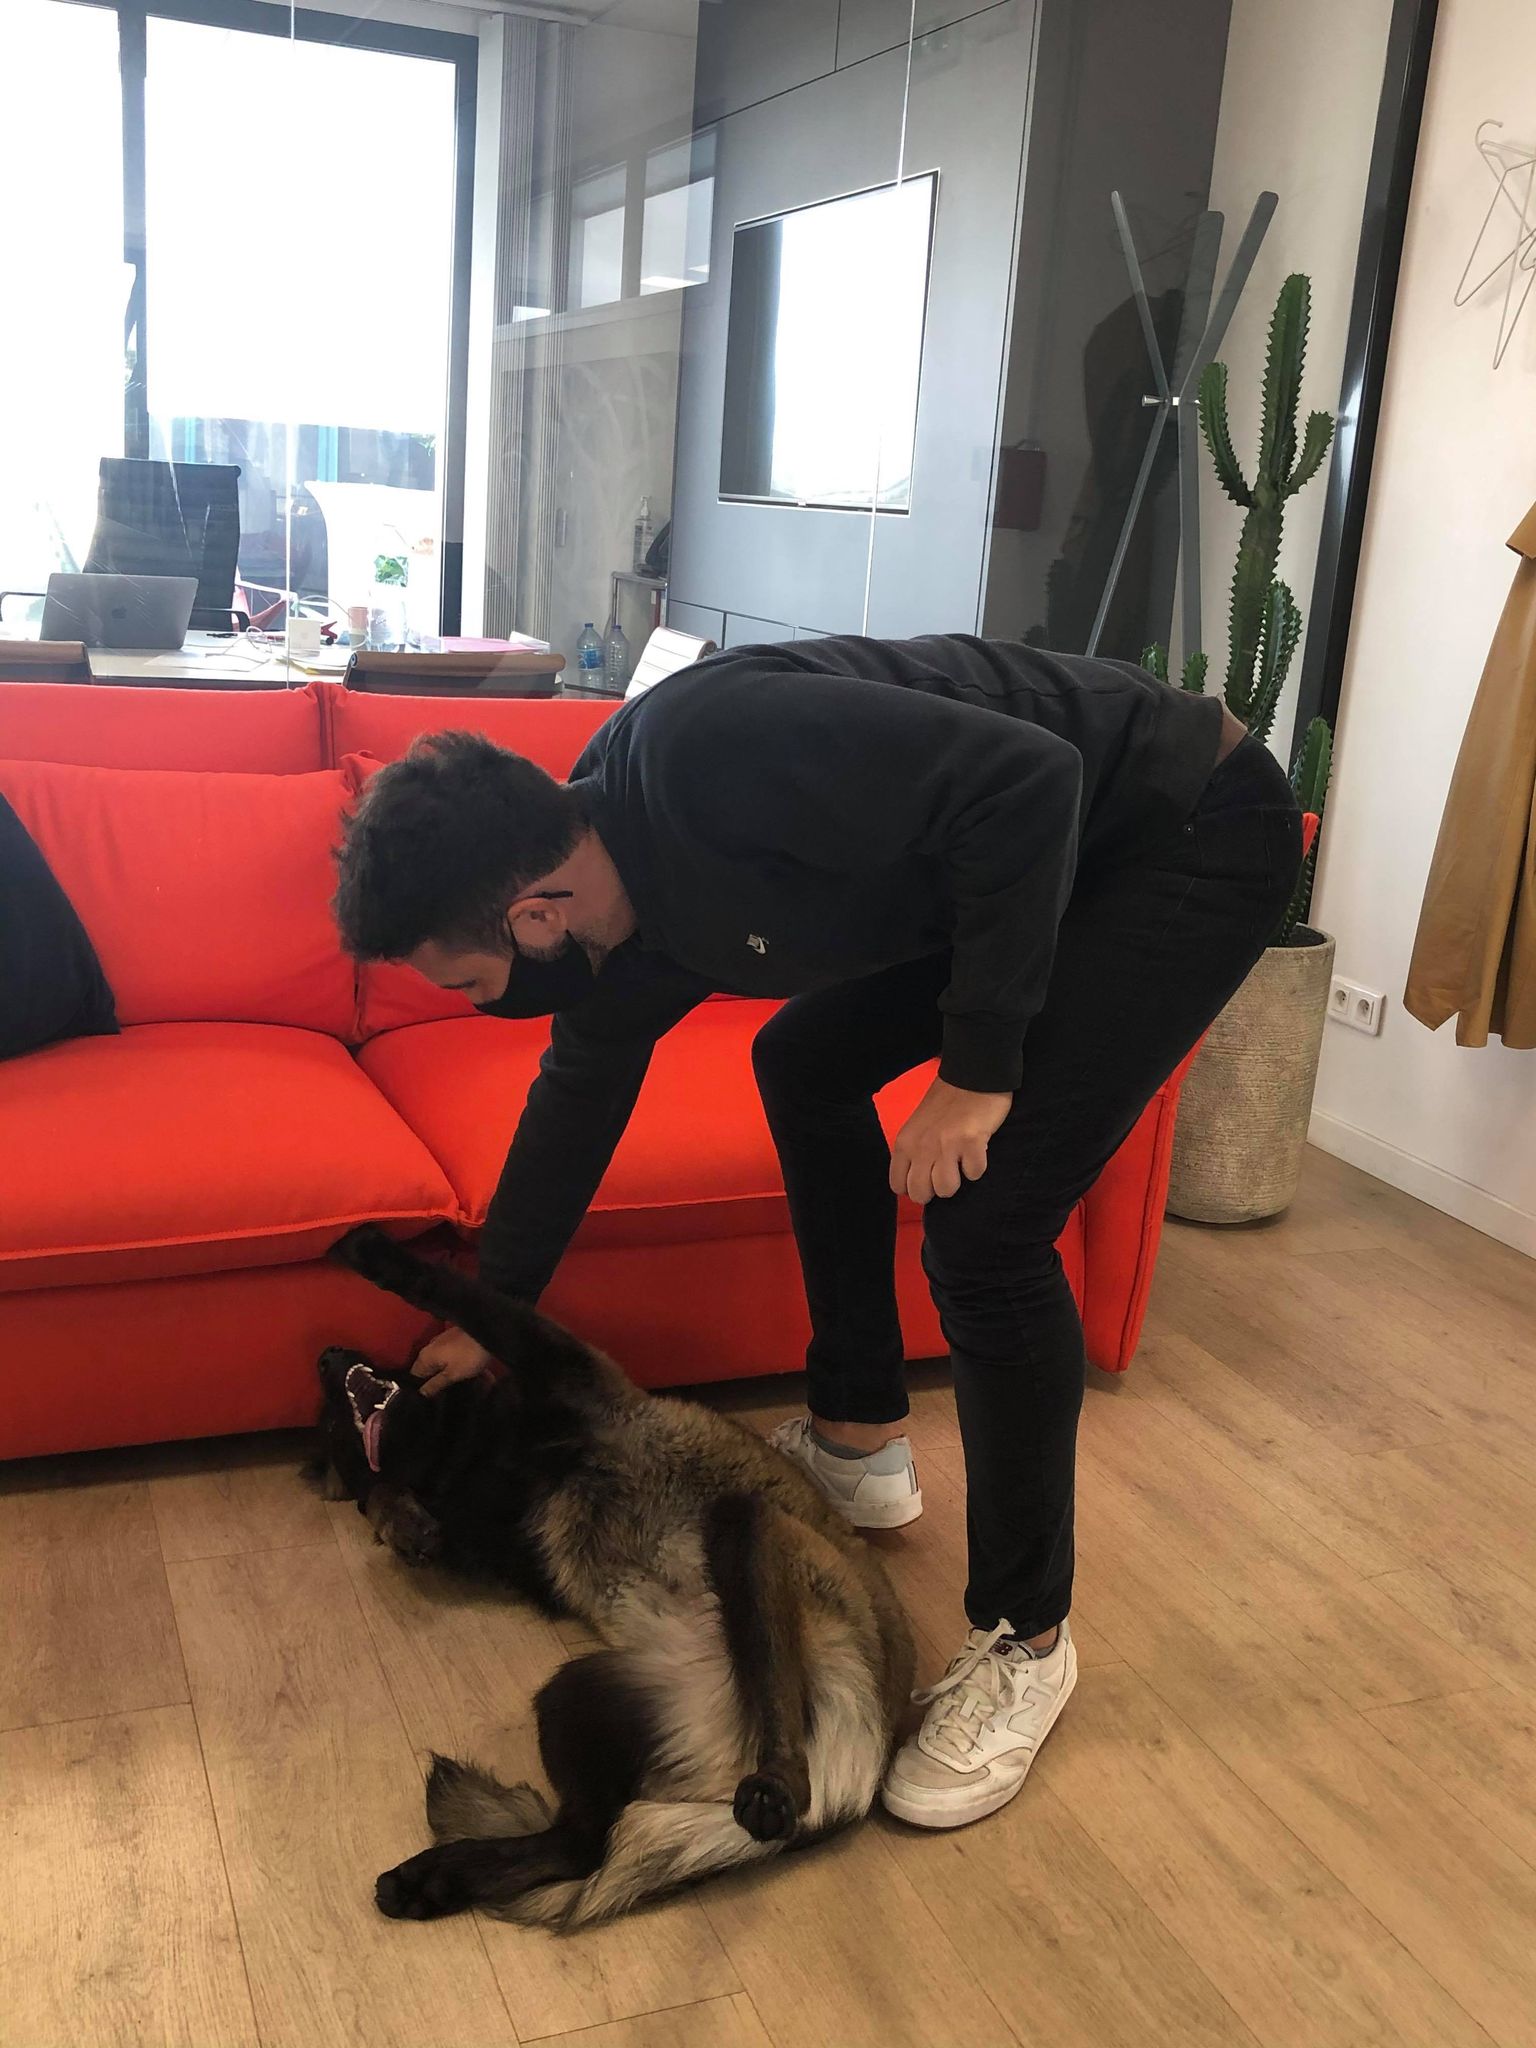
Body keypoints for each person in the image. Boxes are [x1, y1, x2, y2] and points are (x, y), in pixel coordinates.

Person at [332, 634, 1301, 1829]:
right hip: (1038, 860)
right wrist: (496, 1315)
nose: (483, 1007)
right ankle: (859, 1438)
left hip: (1180, 828)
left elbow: (1031, 780)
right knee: (804, 1059)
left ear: (535, 913)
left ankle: (1026, 1637)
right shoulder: (614, 907)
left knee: (988, 1231)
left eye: (471, 982)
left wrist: (978, 1071)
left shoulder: (707, 760)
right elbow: (577, 1094)